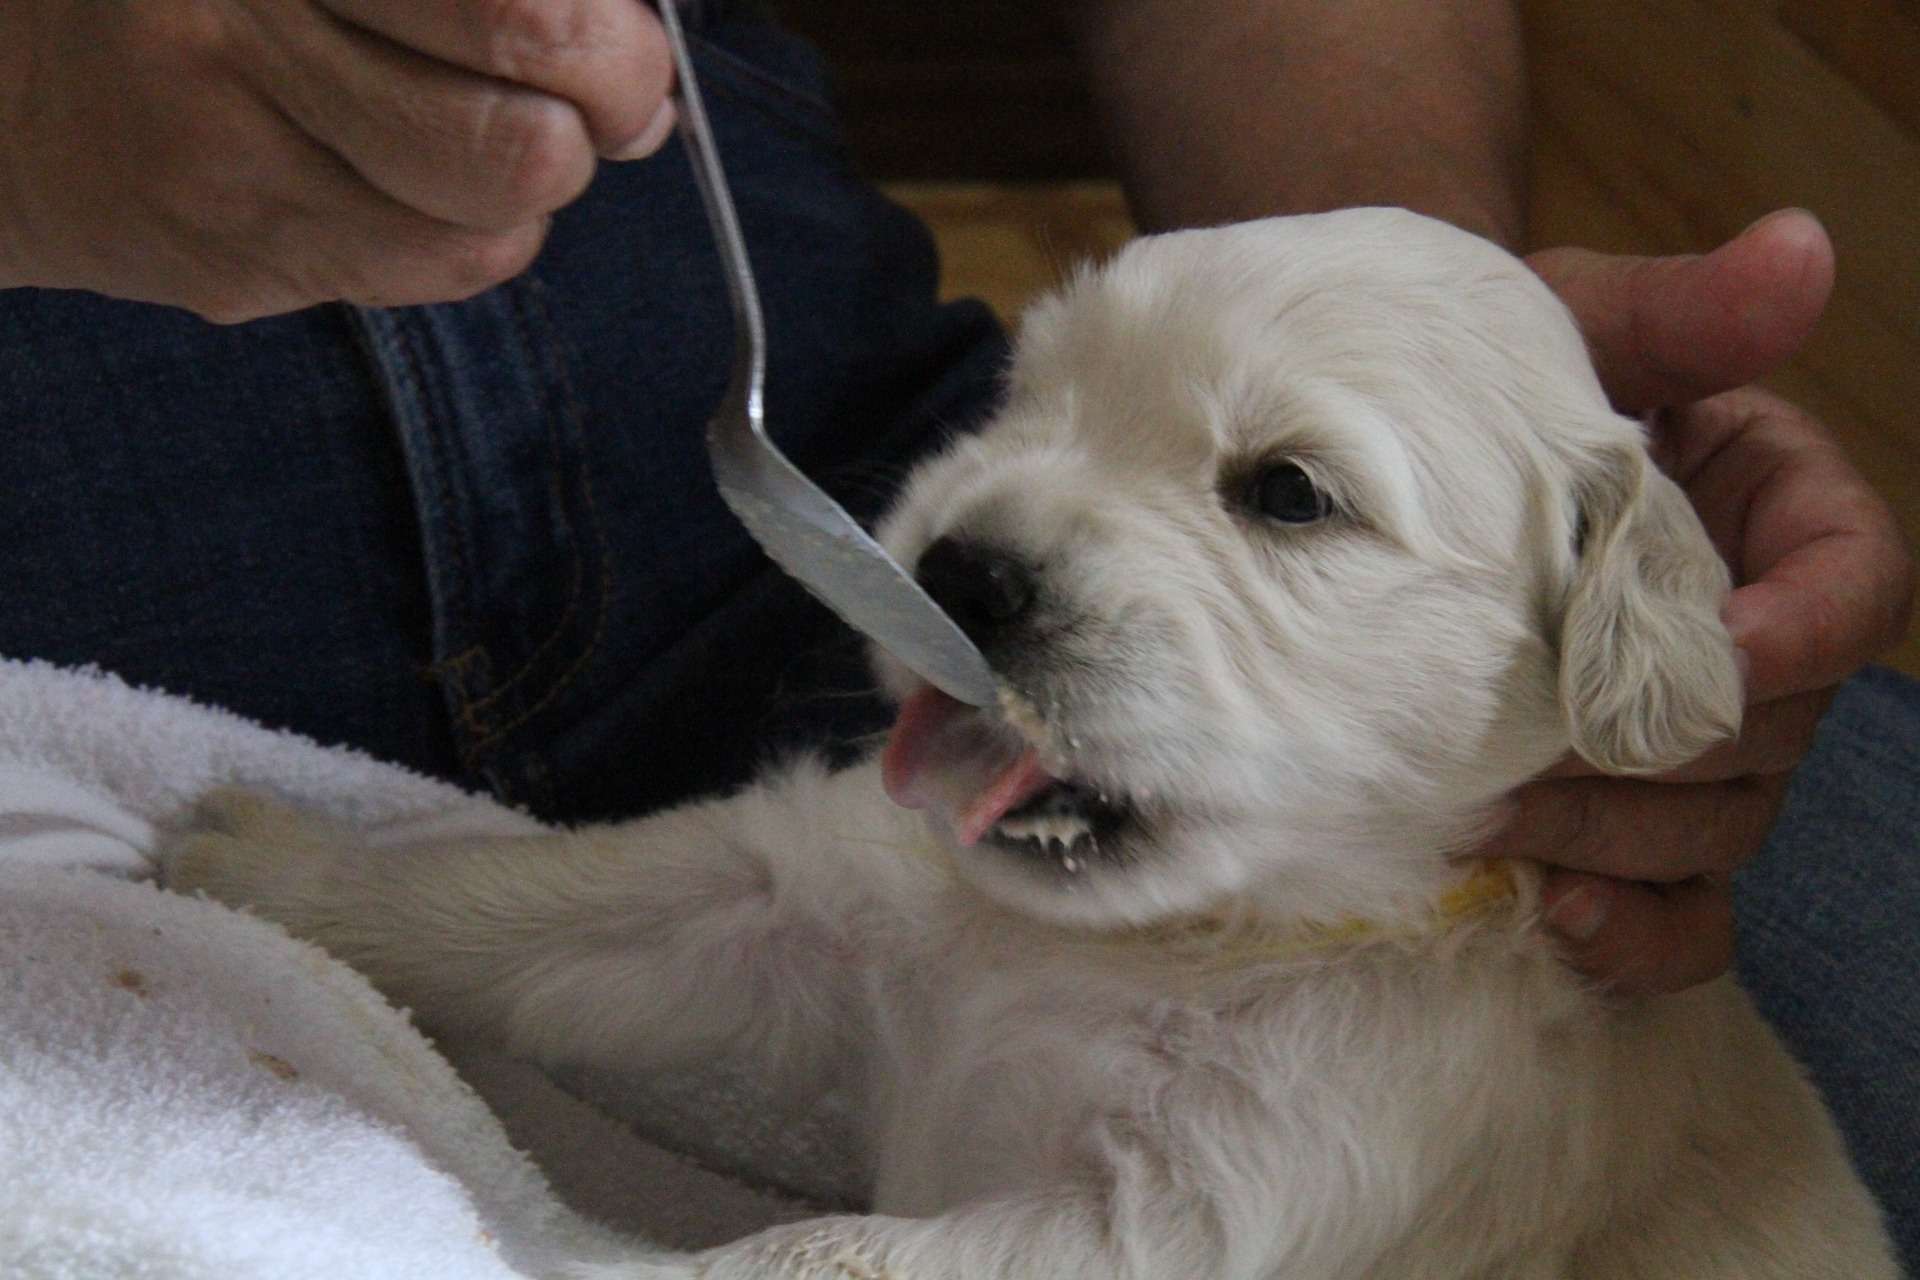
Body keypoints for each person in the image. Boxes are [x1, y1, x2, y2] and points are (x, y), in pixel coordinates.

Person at [1, 0, 1912, 1266]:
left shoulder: (1425, 1057)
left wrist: (1409, 284)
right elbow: (741, 910)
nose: (999, 541)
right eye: (1044, 403)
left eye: (1284, 496)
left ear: (1591, 613)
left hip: (744, 472)